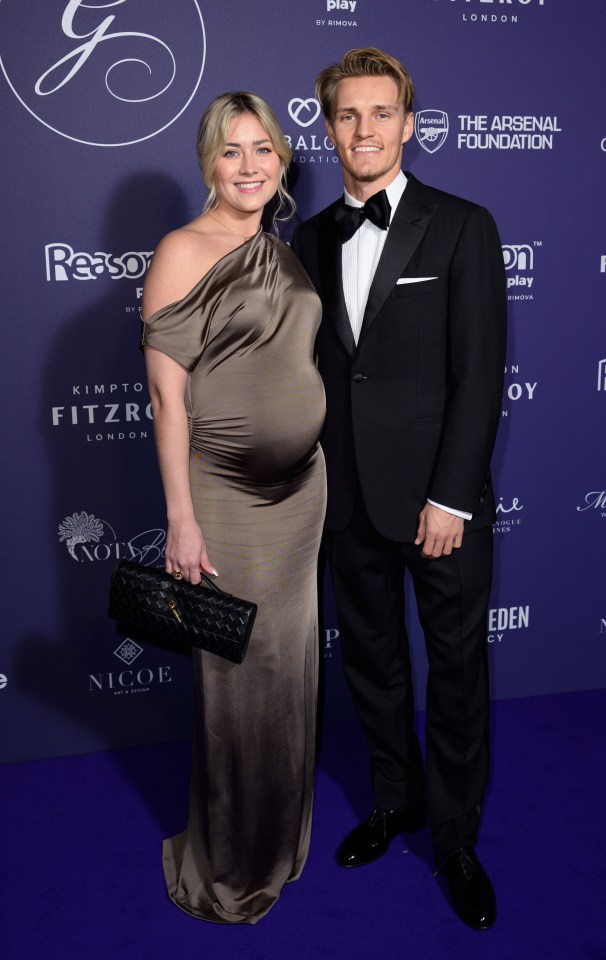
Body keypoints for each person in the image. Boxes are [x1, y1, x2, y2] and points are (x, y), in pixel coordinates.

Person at [293, 49, 506, 930]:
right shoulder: (305, 238)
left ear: (409, 125)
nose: (365, 130)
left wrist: (451, 498)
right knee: (374, 667)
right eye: (348, 116)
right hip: (345, 504)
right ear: (328, 127)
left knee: (453, 673)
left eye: (382, 114)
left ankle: (454, 838)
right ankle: (394, 801)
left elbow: (480, 371)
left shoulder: (462, 224)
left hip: (437, 505)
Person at [141, 92, 326, 924]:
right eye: (231, 152)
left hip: (301, 493)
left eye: (264, 150)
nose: (249, 166)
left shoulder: (278, 248)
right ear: (207, 162)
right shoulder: (184, 248)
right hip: (225, 496)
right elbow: (165, 398)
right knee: (238, 679)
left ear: (280, 161)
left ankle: (278, 842)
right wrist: (182, 517)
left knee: (287, 675)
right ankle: (230, 861)